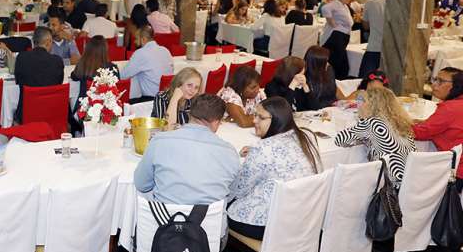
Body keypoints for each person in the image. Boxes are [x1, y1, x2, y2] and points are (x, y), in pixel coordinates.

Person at [227, 97, 320, 240]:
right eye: (254, 115)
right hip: (304, 217)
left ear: (276, 119)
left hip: (271, 223)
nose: (254, 121)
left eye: (261, 117)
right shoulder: (307, 137)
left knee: (225, 207)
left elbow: (240, 189)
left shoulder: (263, 148)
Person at [134, 94, 240, 206]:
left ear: (189, 114)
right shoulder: (230, 152)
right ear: (217, 122)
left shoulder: (160, 141)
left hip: (163, 219)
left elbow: (141, 184)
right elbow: (231, 194)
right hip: (208, 221)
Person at [335, 87, 416, 188]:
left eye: (364, 101)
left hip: (390, 186)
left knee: (348, 182)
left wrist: (362, 124)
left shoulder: (373, 123)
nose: (360, 104)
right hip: (411, 180)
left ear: (371, 104)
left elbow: (339, 140)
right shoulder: (400, 122)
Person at [413, 67, 463, 189]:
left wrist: (395, 122)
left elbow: (419, 133)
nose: (434, 85)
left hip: (455, 173)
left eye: (440, 81)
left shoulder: (450, 109)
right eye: (435, 80)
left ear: (456, 86)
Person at [14, 27, 65, 122]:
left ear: (33, 42)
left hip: (26, 112)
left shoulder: (21, 58)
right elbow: (59, 84)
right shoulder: (57, 61)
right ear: (48, 42)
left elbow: (18, 81)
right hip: (51, 112)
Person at [121, 26, 174, 102]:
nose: (135, 42)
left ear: (143, 39)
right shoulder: (166, 50)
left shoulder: (141, 53)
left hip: (151, 99)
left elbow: (124, 75)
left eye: (136, 39)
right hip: (167, 96)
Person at [70, 36, 119, 102]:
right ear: (105, 50)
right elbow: (116, 86)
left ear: (88, 49)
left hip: (85, 105)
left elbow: (74, 76)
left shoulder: (83, 65)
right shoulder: (113, 68)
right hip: (107, 105)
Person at [320, 0, 354, 79]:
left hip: (342, 37)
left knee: (340, 65)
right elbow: (324, 8)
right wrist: (331, 22)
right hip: (336, 37)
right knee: (340, 65)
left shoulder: (344, 6)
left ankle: (335, 83)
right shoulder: (336, 3)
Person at [298, 45, 345, 110]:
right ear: (317, 64)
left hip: (334, 109)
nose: (328, 64)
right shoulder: (303, 78)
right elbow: (308, 105)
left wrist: (344, 101)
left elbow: (334, 90)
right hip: (314, 112)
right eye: (325, 62)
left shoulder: (328, 70)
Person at [360, 0, 388, 79]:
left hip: (374, 45)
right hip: (393, 49)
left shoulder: (371, 2)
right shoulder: (400, 4)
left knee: (366, 79)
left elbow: (366, 25)